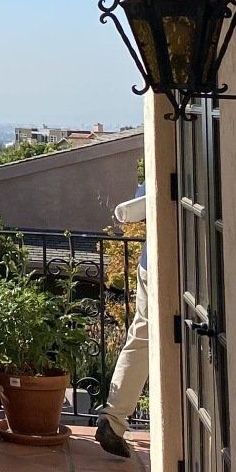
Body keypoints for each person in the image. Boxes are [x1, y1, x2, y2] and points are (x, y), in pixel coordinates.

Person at [98, 186, 150, 458]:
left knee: (142, 337)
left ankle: (115, 419)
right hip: (177, 263)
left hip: (149, 264)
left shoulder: (151, 172)